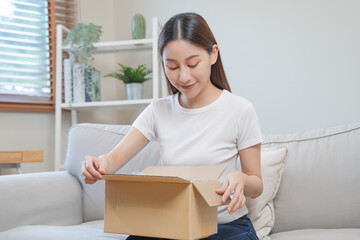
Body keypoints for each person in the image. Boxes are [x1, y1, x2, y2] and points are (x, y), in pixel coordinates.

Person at [81, 12, 263, 240]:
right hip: (172, 225)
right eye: (173, 66)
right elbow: (114, 160)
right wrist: (98, 164)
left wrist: (242, 179)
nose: (184, 76)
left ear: (213, 54)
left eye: (193, 63)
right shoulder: (158, 110)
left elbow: (256, 184)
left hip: (225, 226)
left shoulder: (240, 110)